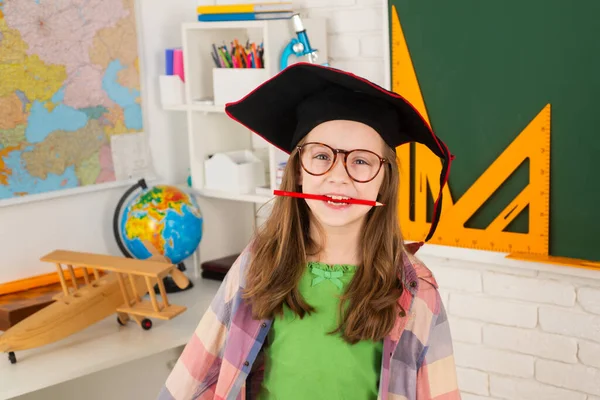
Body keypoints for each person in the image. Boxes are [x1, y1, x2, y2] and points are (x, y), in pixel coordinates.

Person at [157, 63, 460, 400]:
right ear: (298, 171)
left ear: (384, 179)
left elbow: (439, 390)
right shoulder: (258, 263)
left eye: (361, 161)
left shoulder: (416, 288)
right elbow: (198, 369)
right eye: (321, 156)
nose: (338, 176)